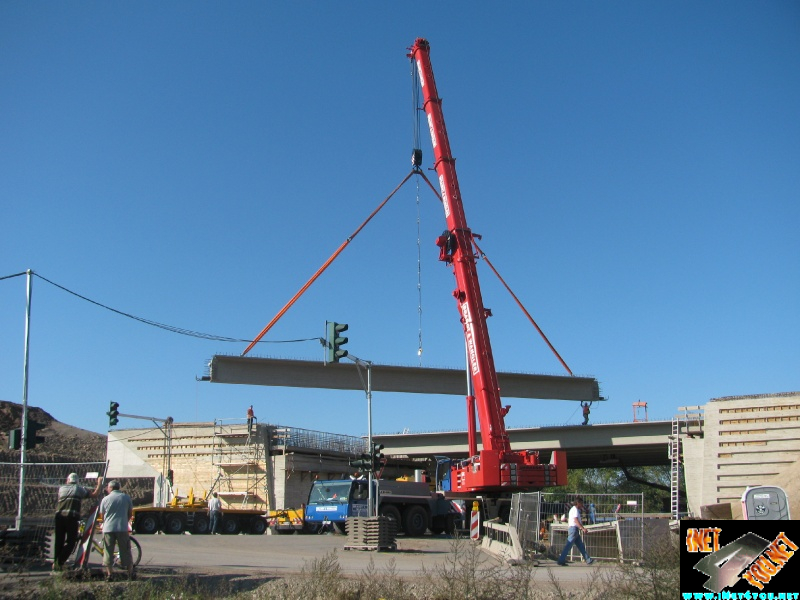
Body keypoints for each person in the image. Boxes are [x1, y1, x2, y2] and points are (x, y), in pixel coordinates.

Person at [53, 473, 103, 571]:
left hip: (59, 517)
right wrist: (99, 483)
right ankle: (58, 563)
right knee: (71, 542)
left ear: (67, 480)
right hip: (71, 518)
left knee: (59, 541)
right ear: (77, 481)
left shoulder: (61, 488)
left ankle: (57, 564)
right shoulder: (78, 489)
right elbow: (94, 495)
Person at [98, 480, 134, 581]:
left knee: (108, 551)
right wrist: (125, 521)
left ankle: (110, 574)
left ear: (110, 488)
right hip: (122, 528)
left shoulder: (105, 499)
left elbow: (102, 515)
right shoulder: (126, 498)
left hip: (108, 528)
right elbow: (130, 513)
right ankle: (130, 573)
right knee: (125, 550)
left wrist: (106, 522)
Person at [557, 497, 594, 566]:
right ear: (578, 503)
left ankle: (588, 559)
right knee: (568, 545)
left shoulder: (574, 510)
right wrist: (582, 528)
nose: (582, 505)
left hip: (575, 529)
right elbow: (575, 520)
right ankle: (561, 560)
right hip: (573, 529)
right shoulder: (575, 510)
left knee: (580, 546)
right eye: (581, 503)